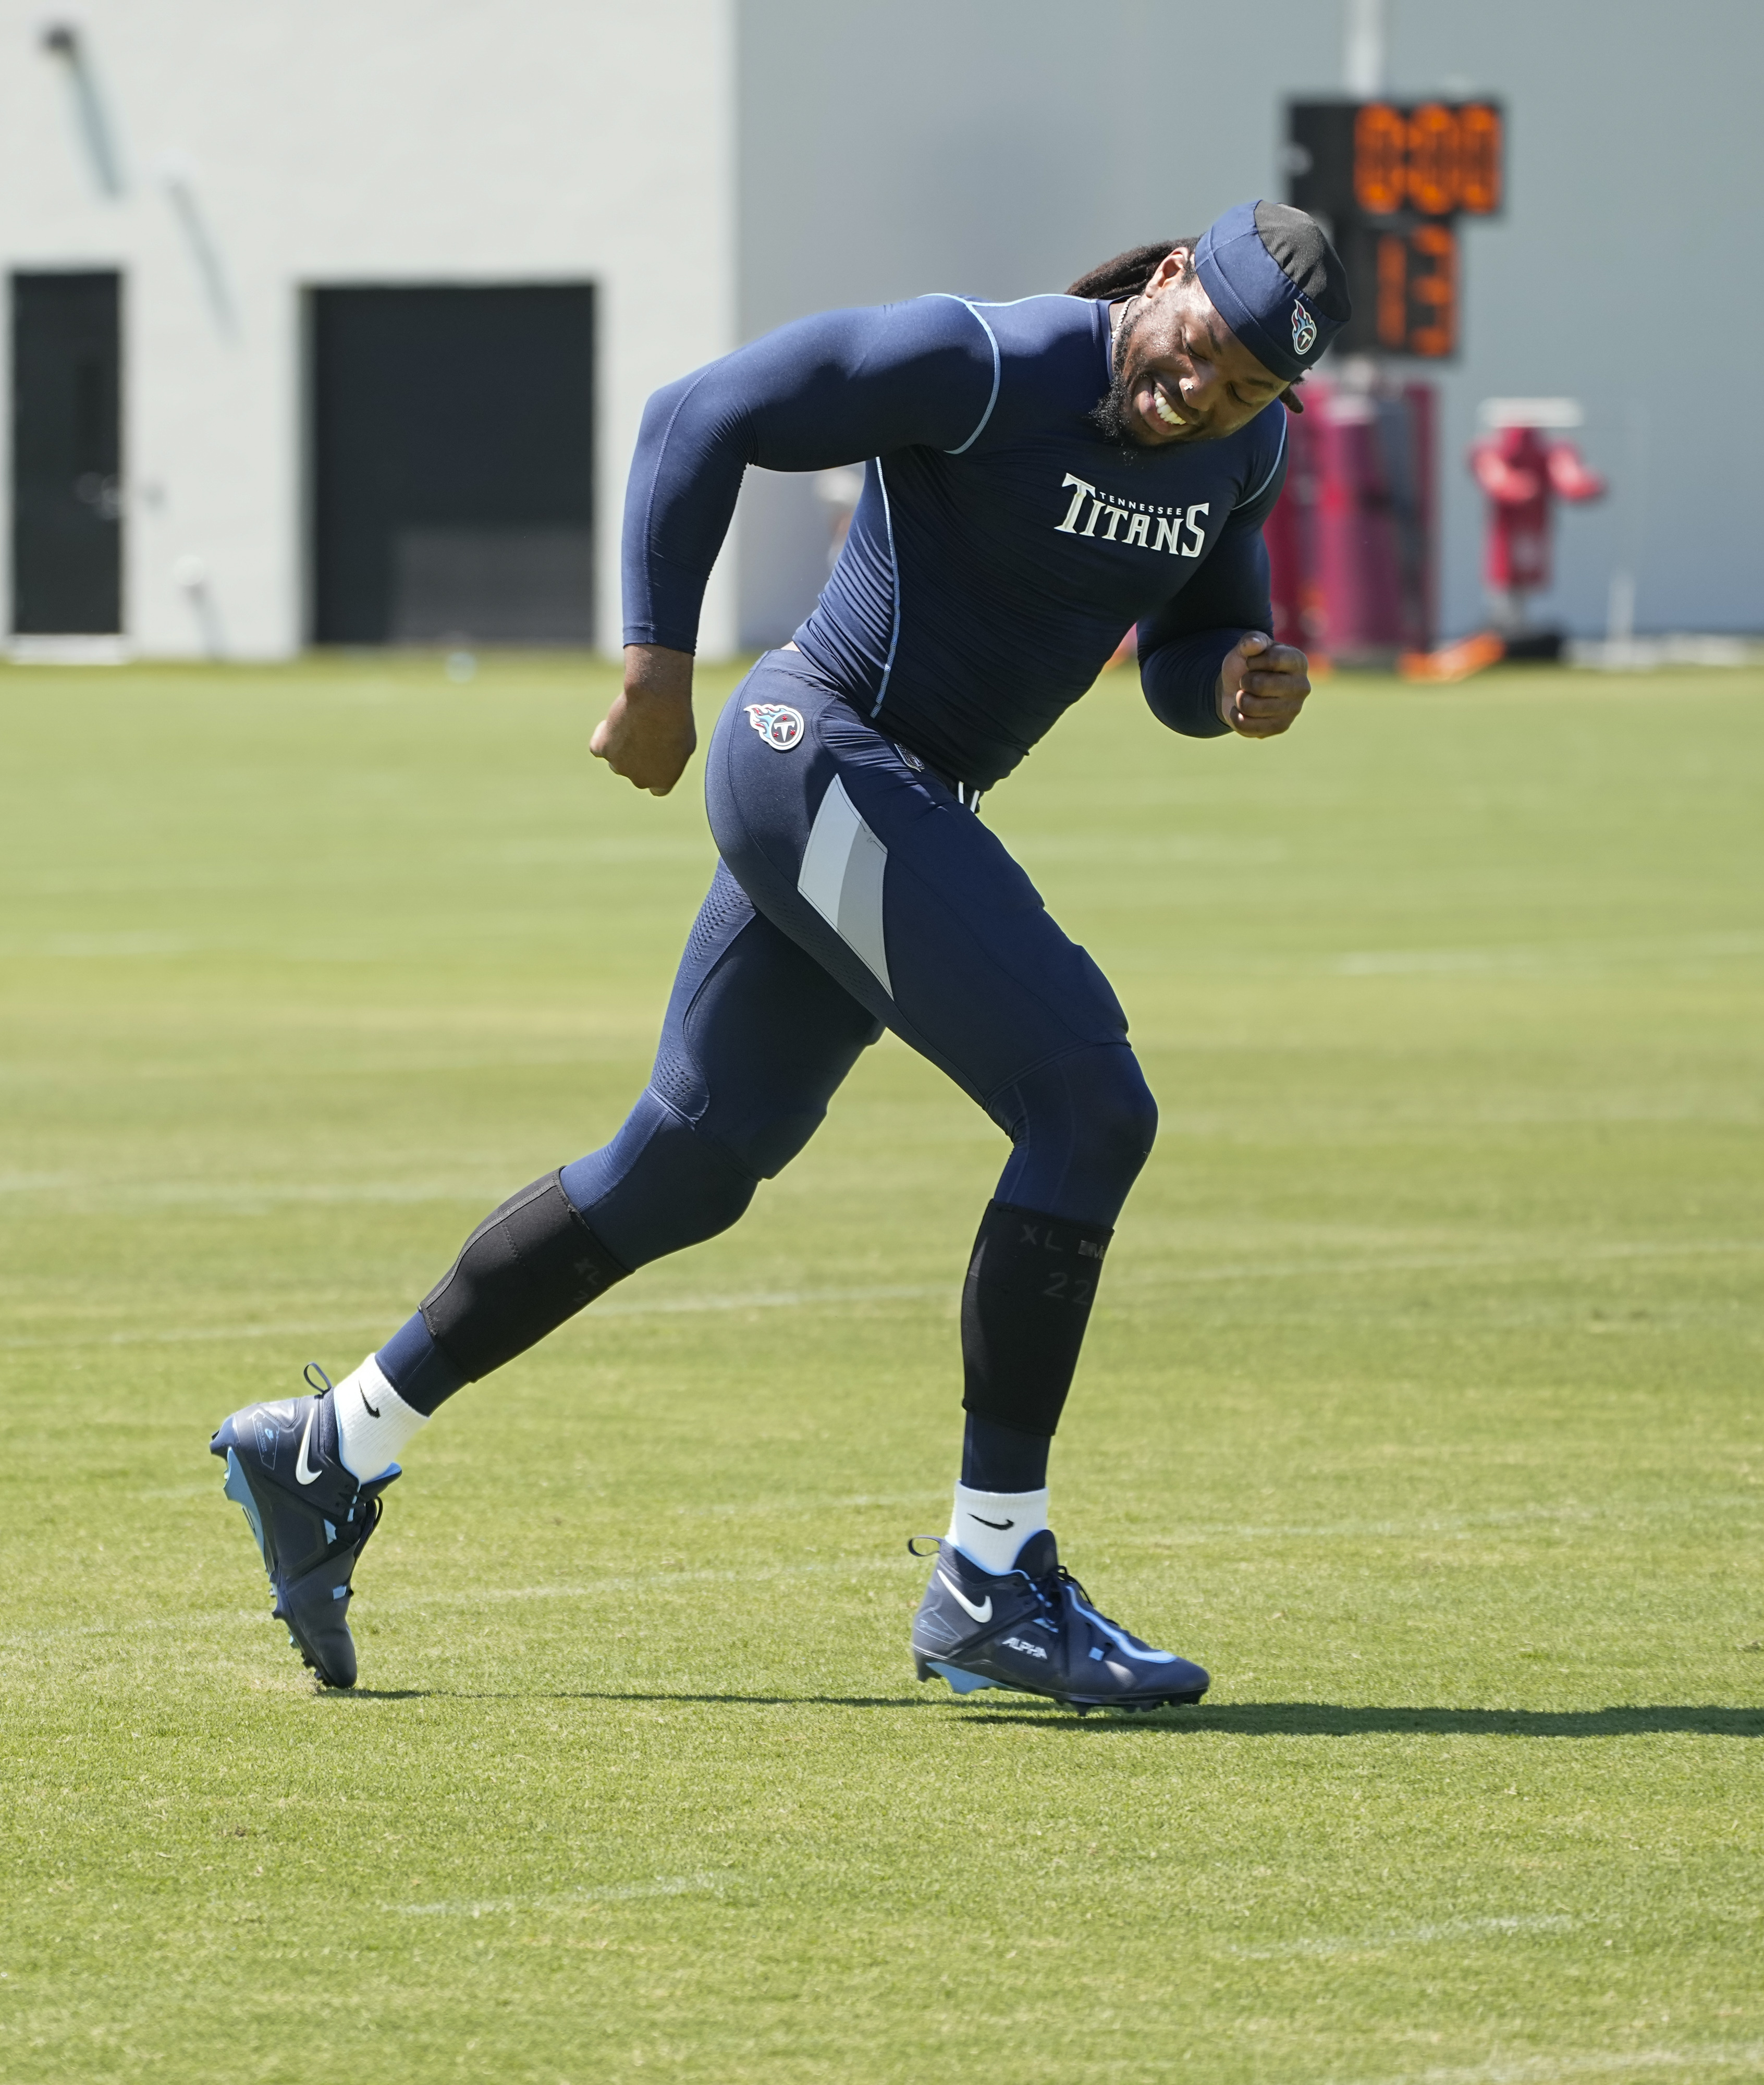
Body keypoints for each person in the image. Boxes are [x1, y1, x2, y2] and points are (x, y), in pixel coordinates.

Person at [213, 202, 1349, 1707]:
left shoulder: (1241, 458)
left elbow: (1189, 648)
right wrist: (653, 673)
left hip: (888, 798)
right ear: (1168, 279)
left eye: (1251, 386)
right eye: (1207, 347)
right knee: (1089, 1106)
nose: (1209, 392)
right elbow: (707, 413)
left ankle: (331, 1443)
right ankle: (993, 1572)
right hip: (814, 751)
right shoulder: (989, 361)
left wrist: (1234, 686)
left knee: (681, 1168)